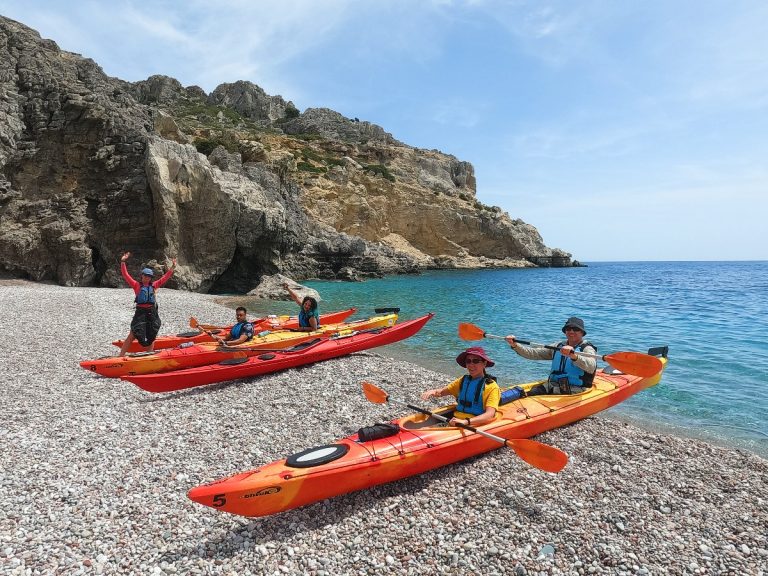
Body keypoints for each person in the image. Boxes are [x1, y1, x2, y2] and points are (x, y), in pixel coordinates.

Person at [505, 316, 597, 396]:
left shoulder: (587, 349)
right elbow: (533, 353)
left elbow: (591, 366)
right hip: (554, 385)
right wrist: (515, 345)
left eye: (575, 329)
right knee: (526, 393)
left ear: (582, 333)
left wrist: (574, 356)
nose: (571, 331)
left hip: (576, 390)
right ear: (565, 331)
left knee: (532, 394)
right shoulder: (558, 346)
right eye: (568, 329)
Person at [421, 346, 500, 427]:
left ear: (484, 363)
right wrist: (433, 391)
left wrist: (466, 422)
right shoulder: (462, 381)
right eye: (468, 361)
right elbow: (442, 392)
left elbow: (490, 414)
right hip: (456, 420)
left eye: (475, 361)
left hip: (474, 424)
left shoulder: (492, 387)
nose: (471, 364)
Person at [118, 252, 176, 356]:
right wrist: (123, 261)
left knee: (152, 333)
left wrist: (173, 267)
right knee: (133, 333)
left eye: (149, 276)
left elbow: (165, 277)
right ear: (142, 276)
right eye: (145, 275)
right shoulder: (136, 285)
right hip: (140, 312)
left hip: (151, 312)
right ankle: (121, 355)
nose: (147, 278)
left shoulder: (154, 285)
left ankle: (149, 354)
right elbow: (125, 275)